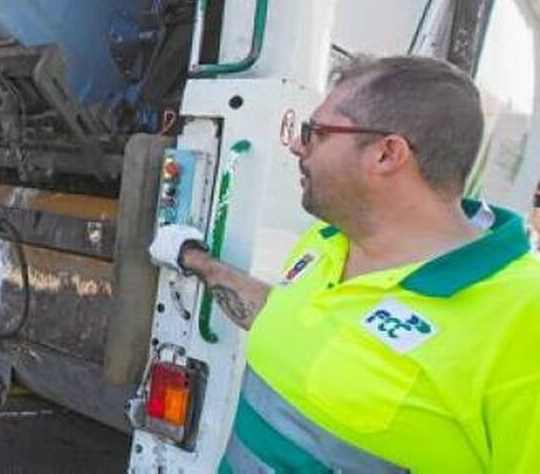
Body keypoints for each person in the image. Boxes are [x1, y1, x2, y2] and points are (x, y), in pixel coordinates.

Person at [150, 55, 540, 472]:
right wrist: (195, 260)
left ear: (387, 154)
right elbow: (284, 316)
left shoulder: (521, 318)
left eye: (315, 133)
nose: (298, 146)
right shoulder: (327, 241)